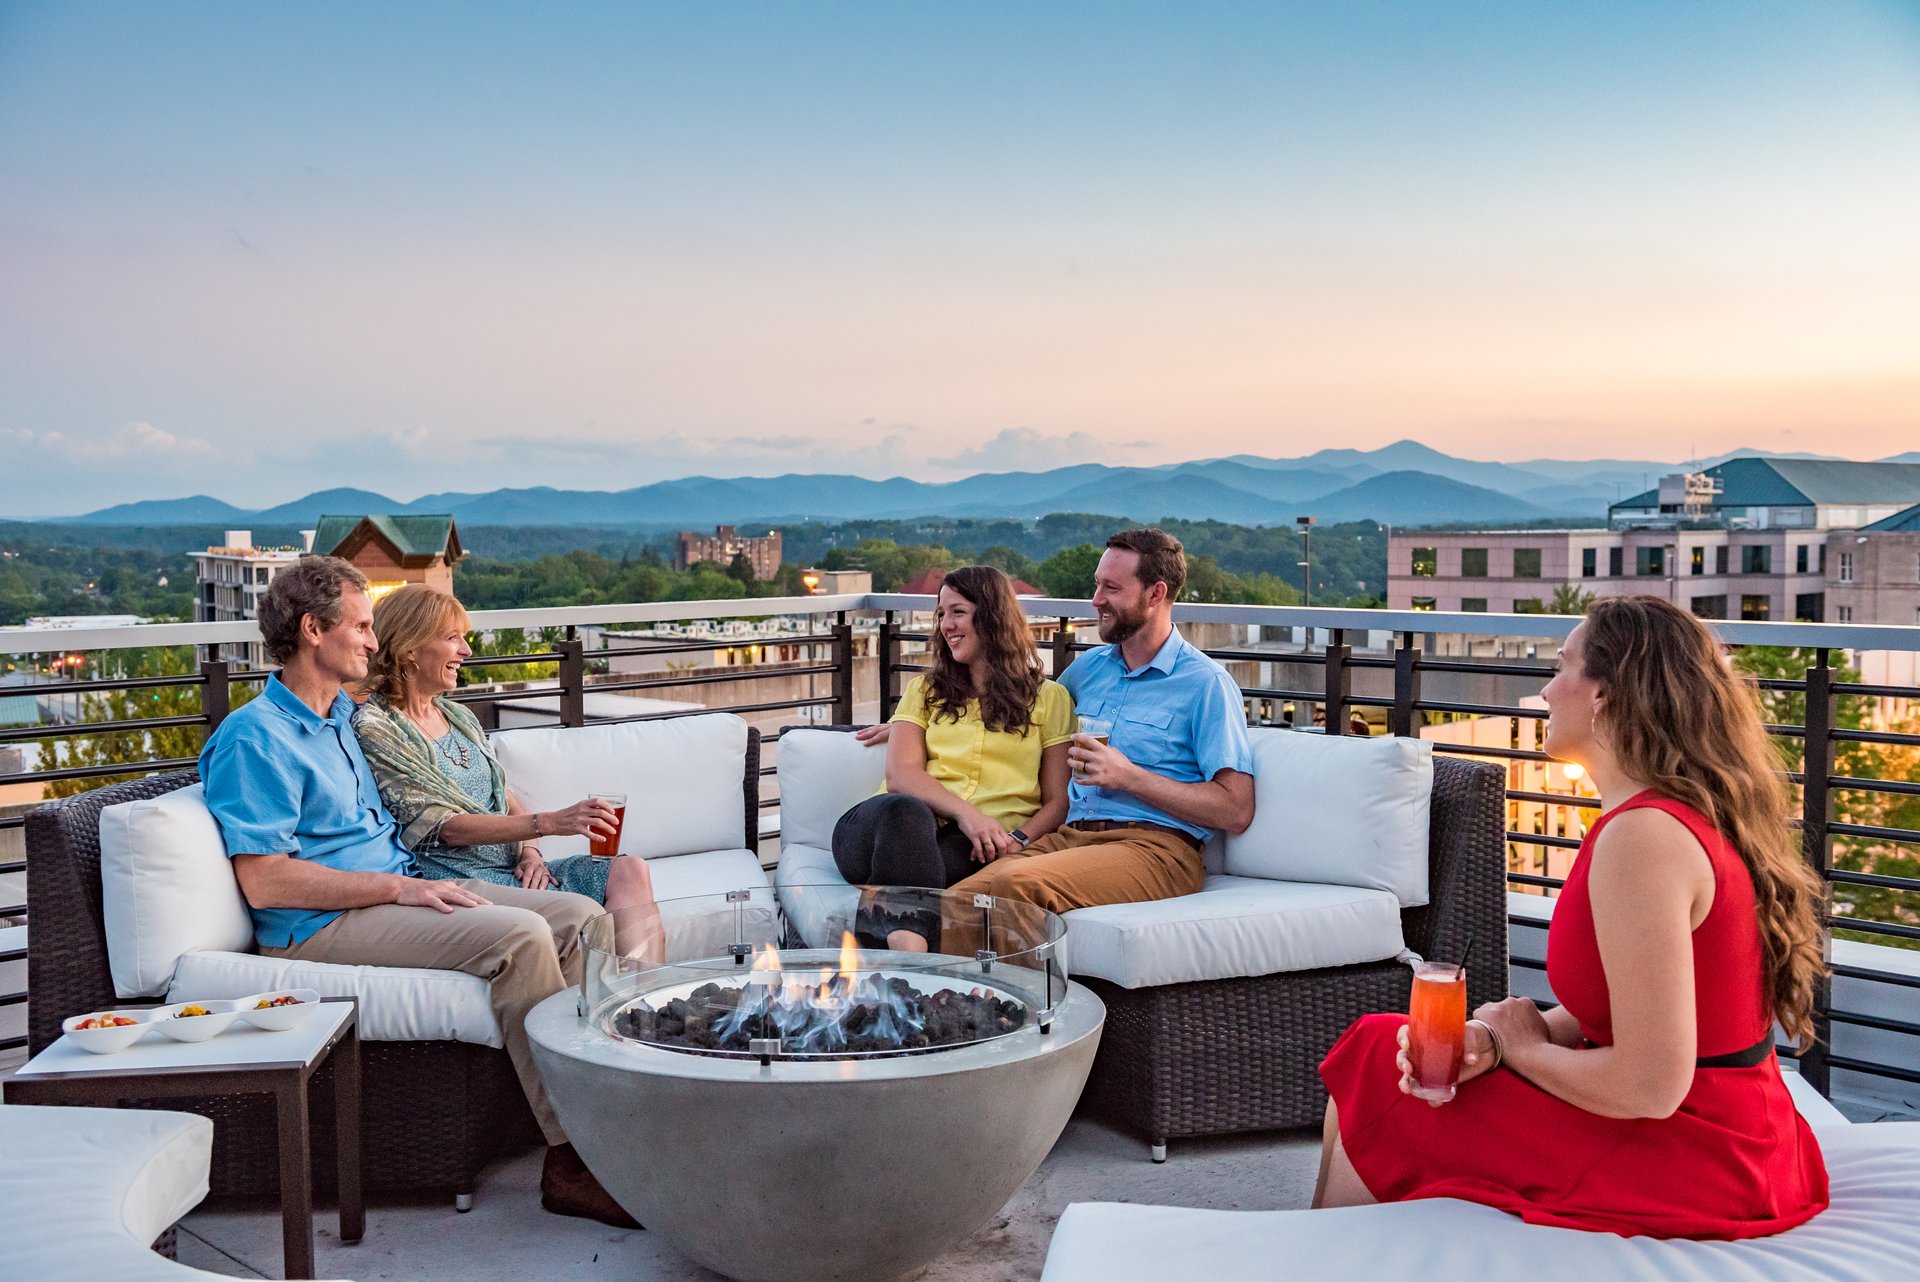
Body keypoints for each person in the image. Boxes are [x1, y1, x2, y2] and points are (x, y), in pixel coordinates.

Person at [1313, 595, 1829, 1239]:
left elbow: (1650, 1085)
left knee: (1376, 1070)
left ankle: (1320, 1257)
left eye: (1561, 667)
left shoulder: (1644, 839)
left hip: (1697, 1158)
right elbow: (1625, 1010)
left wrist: (1523, 1050)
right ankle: (1324, 1252)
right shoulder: (1659, 820)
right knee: (1383, 1054)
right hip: (1734, 1140)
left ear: (1605, 694)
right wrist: (1492, 1043)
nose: (1547, 689)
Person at [198, 556, 637, 1228]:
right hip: (318, 924)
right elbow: (264, 880)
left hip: (394, 890)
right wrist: (397, 889)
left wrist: (516, 843)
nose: (373, 642)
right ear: (313, 630)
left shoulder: (342, 718)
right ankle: (571, 1158)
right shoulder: (255, 738)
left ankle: (610, 1112)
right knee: (521, 936)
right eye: (361, 626)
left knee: (580, 915)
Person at [859, 529, 1255, 924]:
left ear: (1156, 594)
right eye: (1097, 585)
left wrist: (1131, 778)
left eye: (1111, 588)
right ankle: (897, 966)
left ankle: (1020, 970)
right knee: (950, 901)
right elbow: (1024, 712)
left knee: (1014, 885)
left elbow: (1236, 809)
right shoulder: (1088, 670)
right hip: (1071, 839)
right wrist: (913, 726)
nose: (1096, 599)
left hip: (1156, 848)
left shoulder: (1205, 683)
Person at [351, 584, 659, 950]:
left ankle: (642, 987)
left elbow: (506, 797)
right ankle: (615, 985)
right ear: (409, 648)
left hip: (513, 869)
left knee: (630, 870)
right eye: (452, 638)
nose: (466, 651)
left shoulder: (458, 716)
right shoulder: (378, 727)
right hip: (459, 879)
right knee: (582, 910)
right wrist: (549, 823)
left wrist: (531, 853)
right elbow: (445, 828)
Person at [832, 566, 1075, 949]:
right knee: (906, 811)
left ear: (993, 616)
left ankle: (897, 967)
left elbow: (1058, 800)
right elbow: (901, 775)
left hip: (974, 846)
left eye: (958, 612)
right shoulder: (924, 690)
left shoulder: (1049, 699)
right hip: (882, 829)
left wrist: (1019, 840)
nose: (946, 625)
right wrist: (968, 814)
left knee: (924, 873)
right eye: (941, 614)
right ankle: (910, 964)